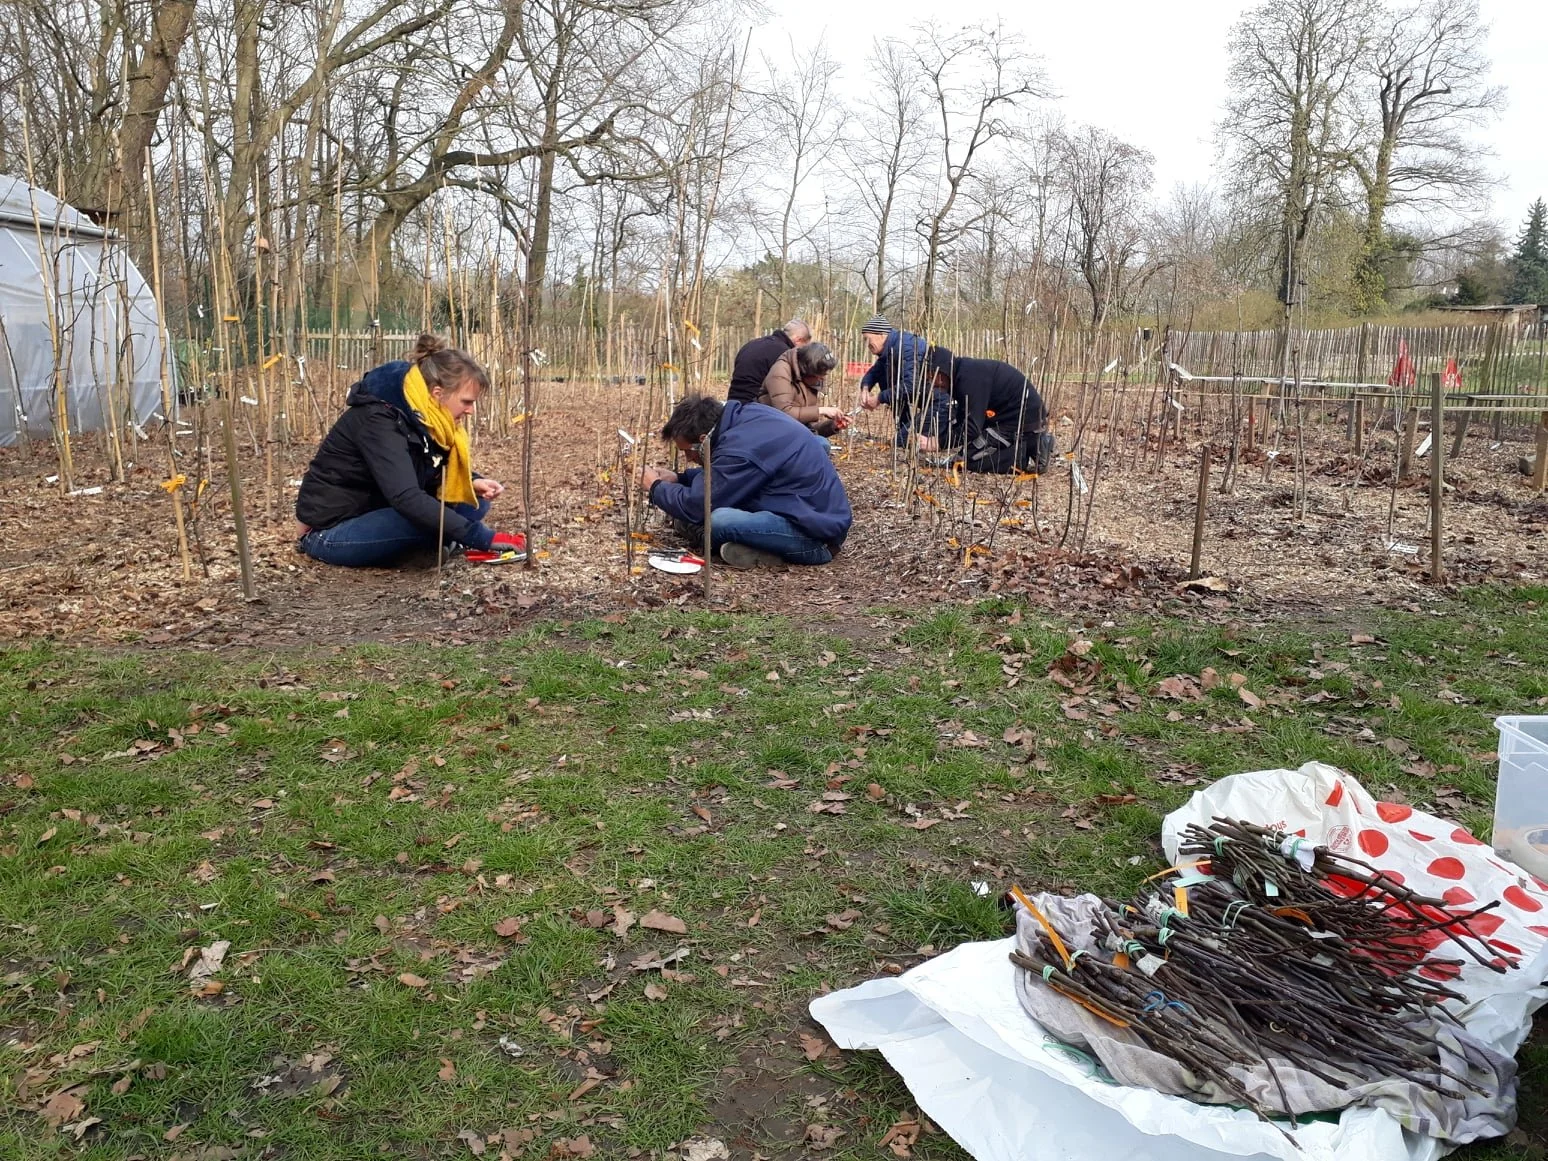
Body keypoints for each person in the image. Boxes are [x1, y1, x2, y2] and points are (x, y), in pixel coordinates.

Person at [294, 333, 526, 567]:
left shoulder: (426, 415)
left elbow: (424, 470)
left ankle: (424, 548)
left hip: (376, 509)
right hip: (330, 532)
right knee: (420, 519)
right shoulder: (379, 420)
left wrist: (472, 481)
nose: (470, 411)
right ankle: (428, 546)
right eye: (466, 402)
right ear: (438, 393)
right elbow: (406, 497)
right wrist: (481, 537)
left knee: (473, 500)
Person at [640, 395, 851, 568]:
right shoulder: (745, 419)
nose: (689, 459)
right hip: (806, 511)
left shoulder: (741, 450)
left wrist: (655, 487)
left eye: (688, 451)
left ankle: (773, 550)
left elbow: (697, 504)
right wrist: (680, 478)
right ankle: (754, 547)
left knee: (718, 520)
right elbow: (730, 478)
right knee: (715, 515)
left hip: (816, 537)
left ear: (703, 439)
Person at [924, 345, 1055, 474]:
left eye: (932, 377)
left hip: (1021, 419)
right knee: (967, 453)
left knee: (967, 460)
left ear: (942, 372)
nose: (932, 384)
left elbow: (971, 428)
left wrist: (937, 443)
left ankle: (1021, 456)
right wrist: (941, 438)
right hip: (1011, 415)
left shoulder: (968, 380)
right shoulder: (963, 373)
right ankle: (1033, 443)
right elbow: (964, 419)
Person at [855, 313, 949, 445]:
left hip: (938, 402)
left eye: (867, 339)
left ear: (881, 335)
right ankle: (905, 429)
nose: (867, 344)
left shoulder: (906, 347)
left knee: (901, 441)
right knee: (886, 379)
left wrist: (879, 398)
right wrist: (865, 388)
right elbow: (874, 371)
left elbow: (911, 385)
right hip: (922, 396)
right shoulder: (889, 349)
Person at [758, 341, 850, 436]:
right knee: (821, 444)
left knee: (821, 443)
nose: (822, 379)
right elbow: (784, 413)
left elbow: (809, 427)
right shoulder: (780, 373)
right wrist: (821, 410)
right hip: (771, 430)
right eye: (819, 376)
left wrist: (833, 426)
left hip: (792, 431)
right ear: (807, 370)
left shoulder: (810, 380)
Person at [727, 319, 812, 403]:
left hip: (732, 404)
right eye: (803, 347)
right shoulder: (785, 354)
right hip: (755, 408)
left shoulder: (752, 344)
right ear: (798, 340)